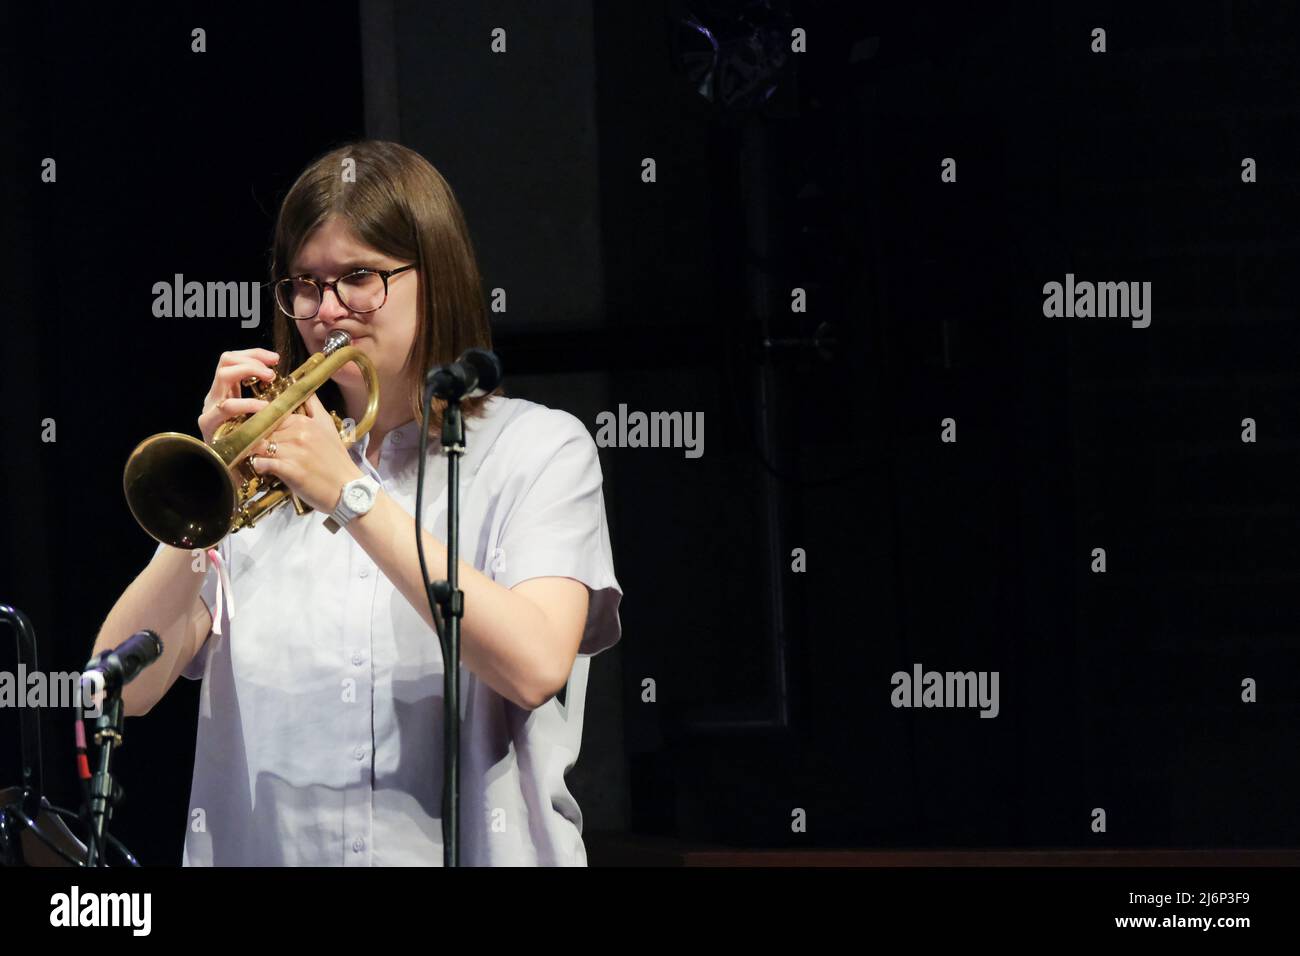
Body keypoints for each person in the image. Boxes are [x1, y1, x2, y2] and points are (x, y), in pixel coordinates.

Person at [92, 140, 623, 866]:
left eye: (359, 278)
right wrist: (205, 494)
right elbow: (121, 688)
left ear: (434, 278)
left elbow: (533, 665)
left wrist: (348, 492)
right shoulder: (266, 472)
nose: (327, 310)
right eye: (305, 284)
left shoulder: (538, 450)